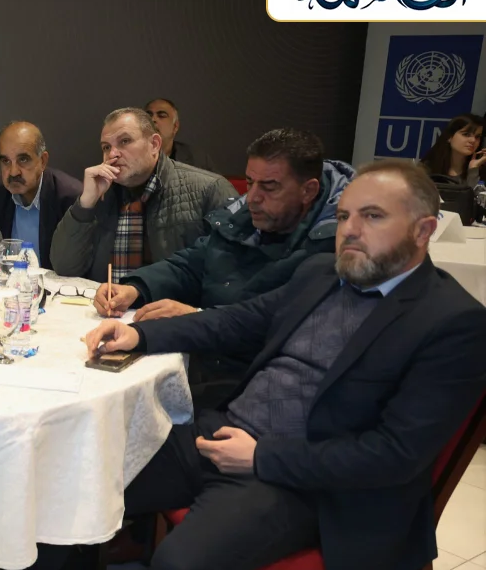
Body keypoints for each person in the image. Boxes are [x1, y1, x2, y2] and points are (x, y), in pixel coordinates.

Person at [0, 160, 486, 570]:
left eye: (373, 216)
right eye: (343, 216)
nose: (351, 230)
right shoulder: (323, 273)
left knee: (179, 566)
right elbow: (237, 321)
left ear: (423, 230)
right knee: (64, 472)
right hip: (225, 434)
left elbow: (394, 456)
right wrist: (141, 334)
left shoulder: (452, 323)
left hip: (306, 482)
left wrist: (263, 457)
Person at [95, 128, 354, 408]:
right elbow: (193, 263)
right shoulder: (244, 216)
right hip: (206, 355)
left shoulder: (335, 249)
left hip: (256, 385)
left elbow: (270, 323)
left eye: (269, 187)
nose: (252, 197)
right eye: (250, 182)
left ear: (308, 191)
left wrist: (195, 316)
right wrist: (136, 287)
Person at [49, 107, 236, 281]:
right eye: (106, 147)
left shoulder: (211, 188)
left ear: (154, 144)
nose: (112, 154)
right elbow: (65, 267)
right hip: (104, 303)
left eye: (125, 141)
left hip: (171, 305)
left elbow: (233, 273)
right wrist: (85, 204)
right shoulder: (100, 194)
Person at [0, 121, 82, 270]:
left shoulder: (70, 196)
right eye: (6, 161)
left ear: (42, 161)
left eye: (23, 159)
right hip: (7, 280)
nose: (13, 172)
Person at [146, 97, 213, 171]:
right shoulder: (134, 155)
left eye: (161, 116)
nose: (153, 119)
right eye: (148, 115)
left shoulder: (197, 159)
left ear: (175, 127)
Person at [419, 113, 484, 185]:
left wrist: (473, 169)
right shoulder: (427, 168)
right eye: (466, 134)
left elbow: (474, 192)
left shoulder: (480, 170)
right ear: (449, 137)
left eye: (477, 137)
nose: (473, 140)